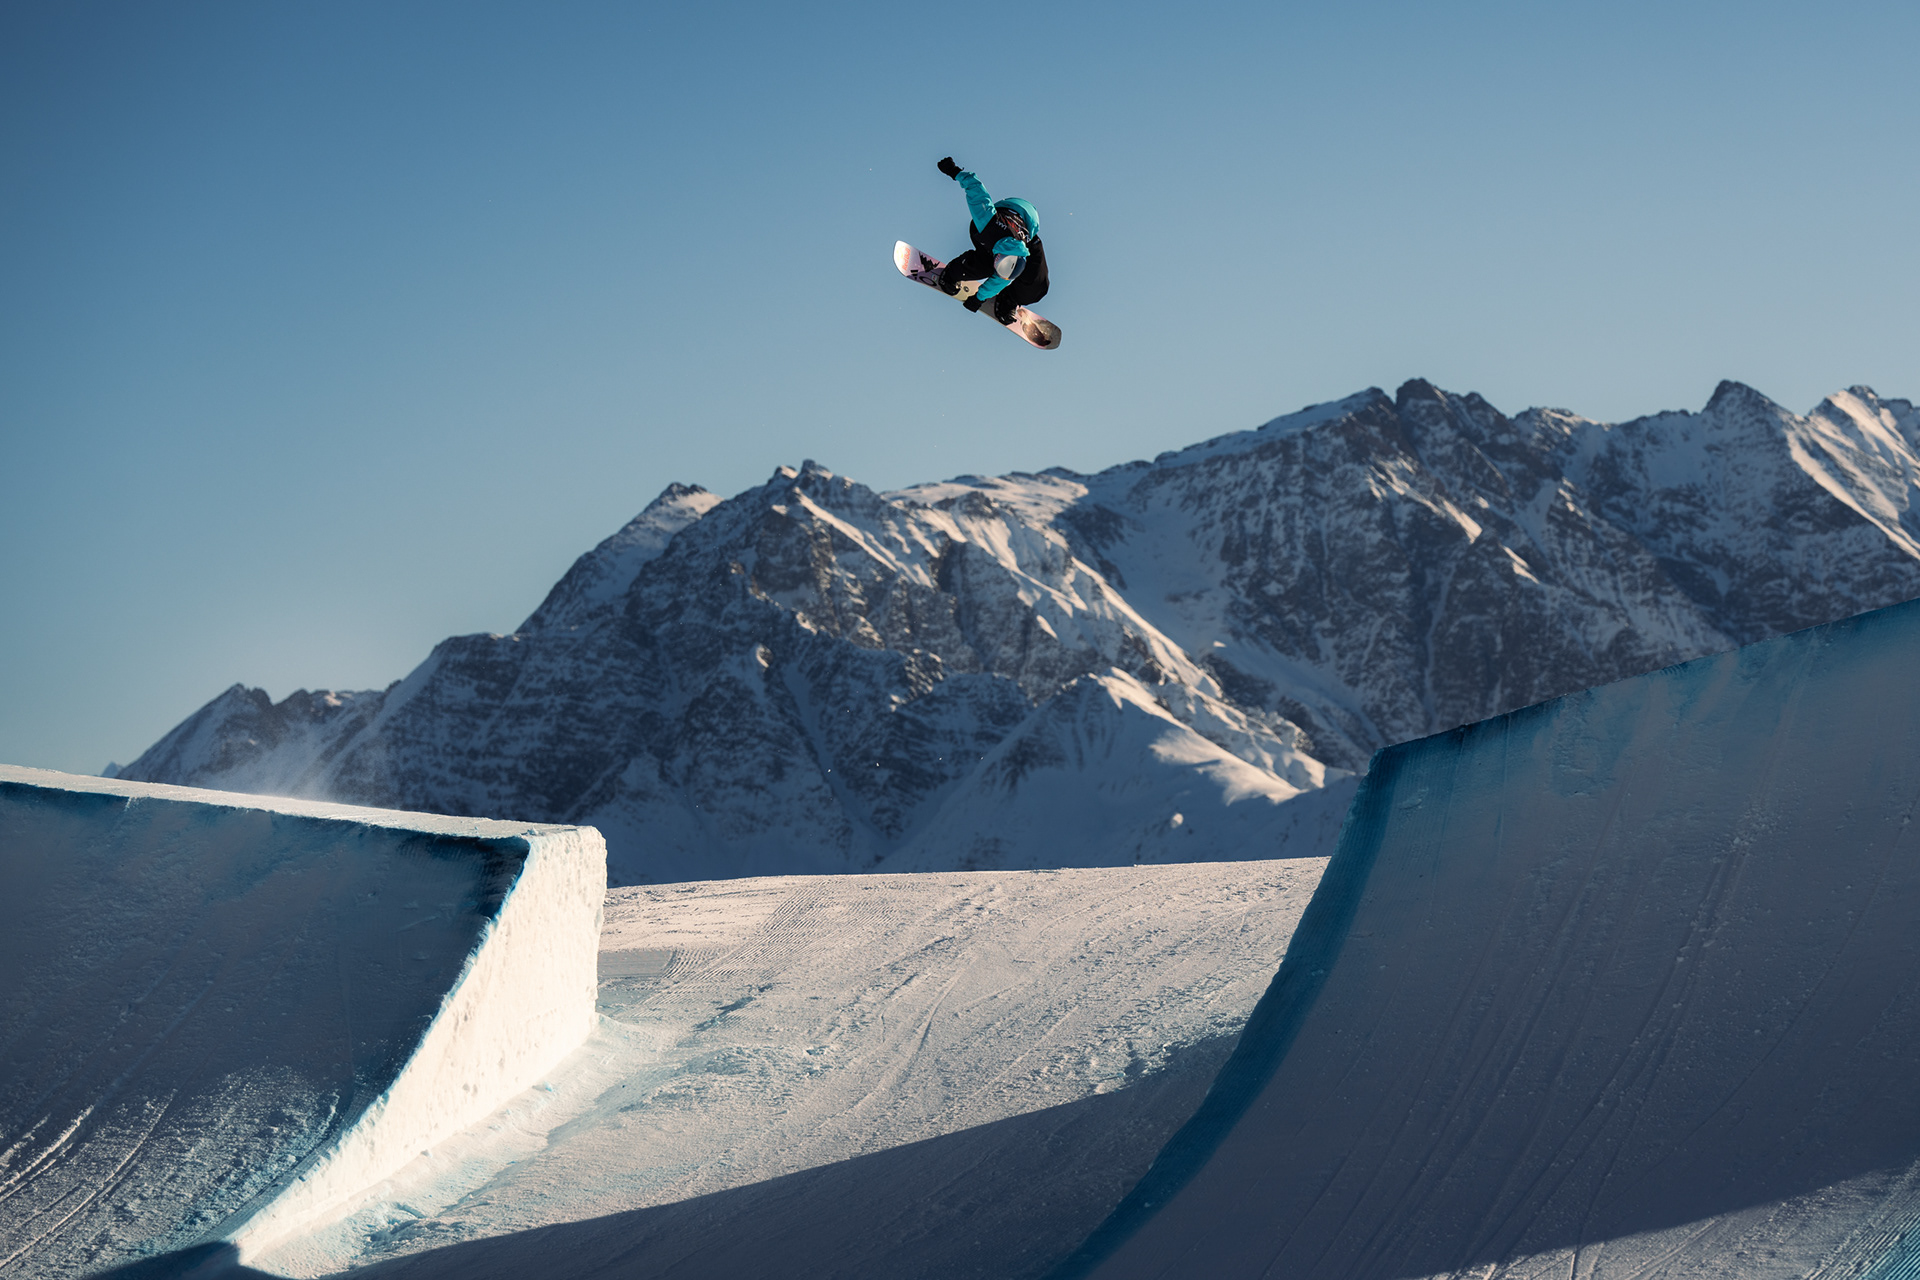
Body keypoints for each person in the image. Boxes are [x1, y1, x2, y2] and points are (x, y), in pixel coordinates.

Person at [933, 157, 1048, 325]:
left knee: (1038, 284)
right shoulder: (988, 222)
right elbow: (977, 191)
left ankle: (1008, 300)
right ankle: (954, 272)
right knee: (985, 266)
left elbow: (1003, 276)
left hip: (1029, 229)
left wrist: (980, 298)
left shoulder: (1014, 261)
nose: (999, 272)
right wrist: (955, 171)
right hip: (996, 223)